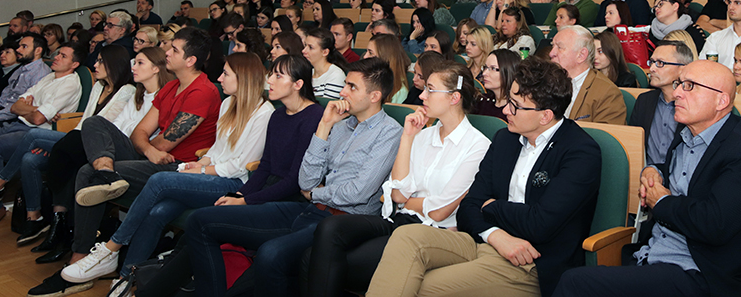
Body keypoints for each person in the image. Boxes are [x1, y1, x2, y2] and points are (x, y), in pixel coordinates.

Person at [366, 57, 601, 297]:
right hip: (483, 241)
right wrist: (495, 234)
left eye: (516, 106)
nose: (506, 110)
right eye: (509, 100)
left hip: (531, 262)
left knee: (420, 285)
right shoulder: (505, 139)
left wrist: (493, 207)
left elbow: (539, 225)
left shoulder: (580, 152)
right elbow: (469, 208)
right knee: (407, 236)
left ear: (545, 116)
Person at [554, 59, 741, 297]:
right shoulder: (689, 132)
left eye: (690, 86)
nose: (676, 94)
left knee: (574, 283)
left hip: (703, 271)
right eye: (679, 84)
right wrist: (653, 170)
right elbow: (685, 170)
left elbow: (714, 224)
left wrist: (661, 201)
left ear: (721, 101)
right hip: (655, 254)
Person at [27, 29, 222, 296]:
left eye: (174, 50)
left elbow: (166, 144)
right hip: (151, 157)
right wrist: (148, 150)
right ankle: (107, 173)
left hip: (175, 166)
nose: (167, 52)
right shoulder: (170, 87)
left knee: (86, 171)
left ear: (190, 60)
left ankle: (80, 257)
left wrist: (150, 150)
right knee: (94, 124)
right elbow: (138, 133)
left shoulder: (203, 91)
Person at [185, 58, 400, 297]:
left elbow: (357, 193)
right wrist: (325, 125)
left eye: (352, 87)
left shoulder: (389, 133)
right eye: (345, 84)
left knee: (270, 254)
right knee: (201, 221)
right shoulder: (339, 125)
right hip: (309, 210)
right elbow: (305, 180)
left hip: (342, 222)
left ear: (374, 96)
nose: (342, 92)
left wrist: (315, 193)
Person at [60, 52, 275, 288]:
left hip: (231, 185)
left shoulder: (264, 114)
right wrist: (198, 164)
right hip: (212, 173)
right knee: (158, 212)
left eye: (226, 74)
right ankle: (126, 276)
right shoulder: (228, 104)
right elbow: (216, 149)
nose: (220, 78)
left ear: (243, 78)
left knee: (160, 181)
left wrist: (200, 171)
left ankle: (111, 248)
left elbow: (238, 166)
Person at [304, 62, 489, 297]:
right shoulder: (423, 135)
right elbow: (397, 194)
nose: (422, 95)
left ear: (454, 98)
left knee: (321, 260)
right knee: (329, 228)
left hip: (433, 231)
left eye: (431, 90)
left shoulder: (477, 146)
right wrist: (408, 136)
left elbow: (438, 212)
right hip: (397, 221)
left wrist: (405, 201)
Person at [0, 41, 84, 228]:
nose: (56, 57)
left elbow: (39, 120)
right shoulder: (49, 78)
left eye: (63, 56)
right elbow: (15, 106)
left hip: (34, 131)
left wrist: (29, 109)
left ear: (74, 64)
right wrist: (32, 109)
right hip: (18, 124)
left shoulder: (69, 83)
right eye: (57, 54)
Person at [549, 26, 627, 124]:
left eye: (559, 47)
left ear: (581, 55)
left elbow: (604, 137)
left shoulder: (607, 93)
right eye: (552, 46)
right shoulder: (546, 82)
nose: (551, 53)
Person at [0, 33, 52, 124]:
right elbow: (1, 101)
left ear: (38, 51)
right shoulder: (20, 69)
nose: (18, 50)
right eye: (19, 46)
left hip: (15, 120)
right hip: (3, 112)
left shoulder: (40, 73)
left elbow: (20, 110)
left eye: (24, 47)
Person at [303, 28, 348, 100]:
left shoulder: (335, 75)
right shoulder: (307, 72)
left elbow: (327, 106)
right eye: (305, 45)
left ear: (325, 52)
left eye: (310, 47)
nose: (304, 51)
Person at [364, 33, 410, 104]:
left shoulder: (399, 92)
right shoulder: (364, 79)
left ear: (384, 57)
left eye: (370, 53)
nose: (365, 57)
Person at [477, 50, 518, 121]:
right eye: (485, 67)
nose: (484, 73)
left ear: (508, 72)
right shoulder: (482, 101)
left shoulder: (516, 111)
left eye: (493, 68)